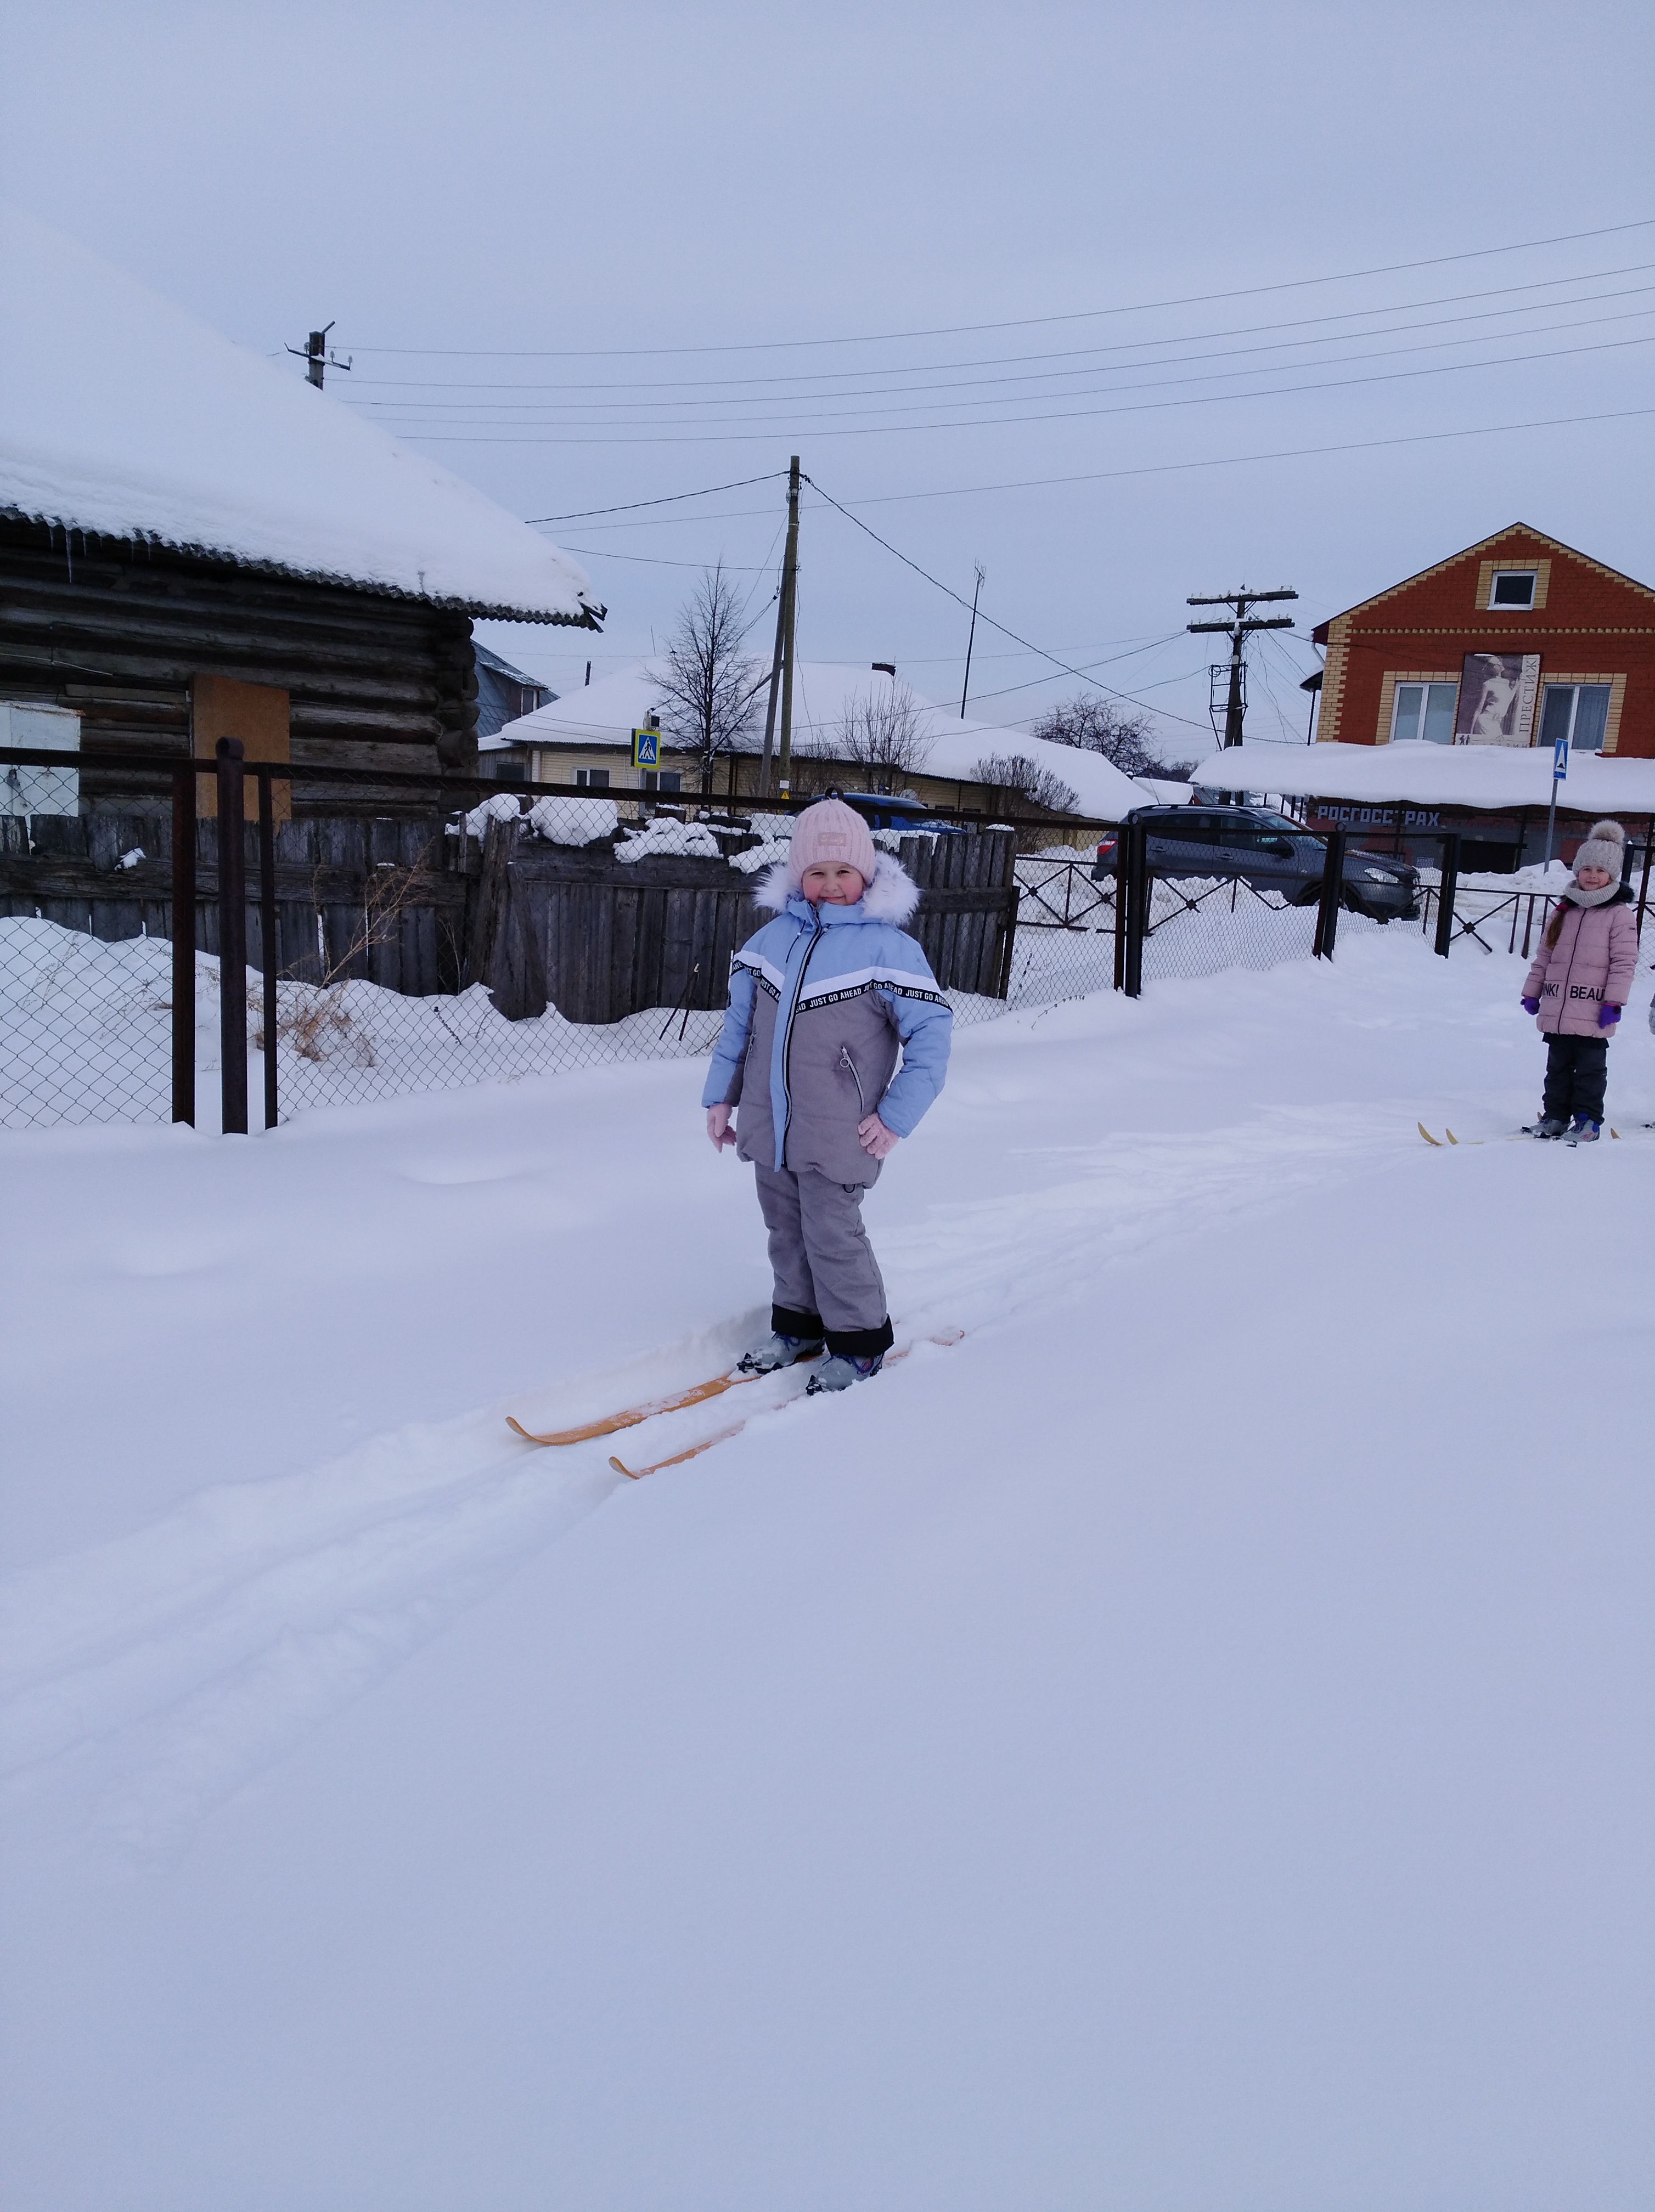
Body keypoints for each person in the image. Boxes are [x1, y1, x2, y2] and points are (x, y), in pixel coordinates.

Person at [702, 797, 952, 1391]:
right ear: (797, 876)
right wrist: (721, 1099)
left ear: (865, 874)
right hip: (770, 1123)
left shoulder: (887, 950)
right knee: (784, 1229)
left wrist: (895, 1116)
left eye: (844, 872)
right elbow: (738, 1028)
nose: (831, 884)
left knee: (832, 1233)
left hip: (842, 1127)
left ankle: (860, 1341)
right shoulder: (767, 942)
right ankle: (798, 1326)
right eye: (817, 872)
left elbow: (932, 1039)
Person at [1520, 818, 1637, 1143]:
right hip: (1558, 1007)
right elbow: (1544, 956)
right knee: (1557, 1069)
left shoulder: (1619, 915)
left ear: (1612, 876)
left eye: (1601, 871)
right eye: (1587, 869)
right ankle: (1556, 1116)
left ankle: (1587, 1121)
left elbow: (1624, 962)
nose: (1592, 876)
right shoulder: (1563, 912)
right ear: (1577, 871)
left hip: (1593, 1009)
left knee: (1589, 1070)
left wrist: (1614, 1002)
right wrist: (1532, 992)